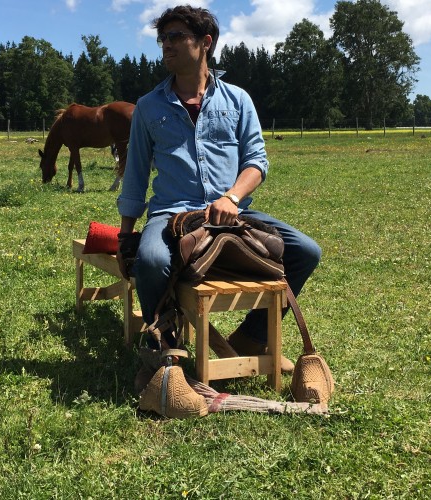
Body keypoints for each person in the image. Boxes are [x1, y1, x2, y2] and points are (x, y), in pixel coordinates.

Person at [116, 5, 321, 418]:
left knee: (306, 251)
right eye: (163, 38)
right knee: (153, 259)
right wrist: (125, 236)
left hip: (233, 214)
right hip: (170, 214)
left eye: (175, 36)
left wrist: (231, 197)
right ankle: (161, 349)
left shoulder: (238, 100)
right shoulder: (149, 107)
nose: (166, 45)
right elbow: (136, 176)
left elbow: (256, 161)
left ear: (204, 42)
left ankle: (251, 338)